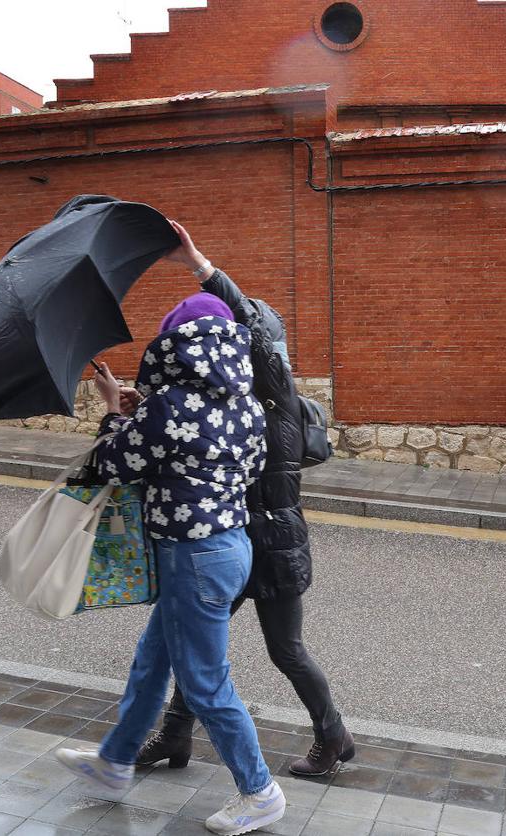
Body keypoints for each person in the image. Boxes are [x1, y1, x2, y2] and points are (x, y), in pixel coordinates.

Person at [53, 292, 286, 836]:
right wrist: (147, 412)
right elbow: (232, 466)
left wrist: (113, 410)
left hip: (193, 556)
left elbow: (110, 464)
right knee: (153, 660)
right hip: (230, 547)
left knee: (205, 685)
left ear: (176, 346)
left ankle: (259, 792)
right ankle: (115, 763)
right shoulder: (247, 404)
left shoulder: (172, 407)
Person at [135, 220, 354, 777]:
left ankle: (333, 737)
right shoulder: (229, 395)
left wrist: (201, 268)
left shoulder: (277, 396)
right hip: (231, 537)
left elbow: (253, 329)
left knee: (285, 651)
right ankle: (175, 737)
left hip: (271, 542)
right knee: (195, 645)